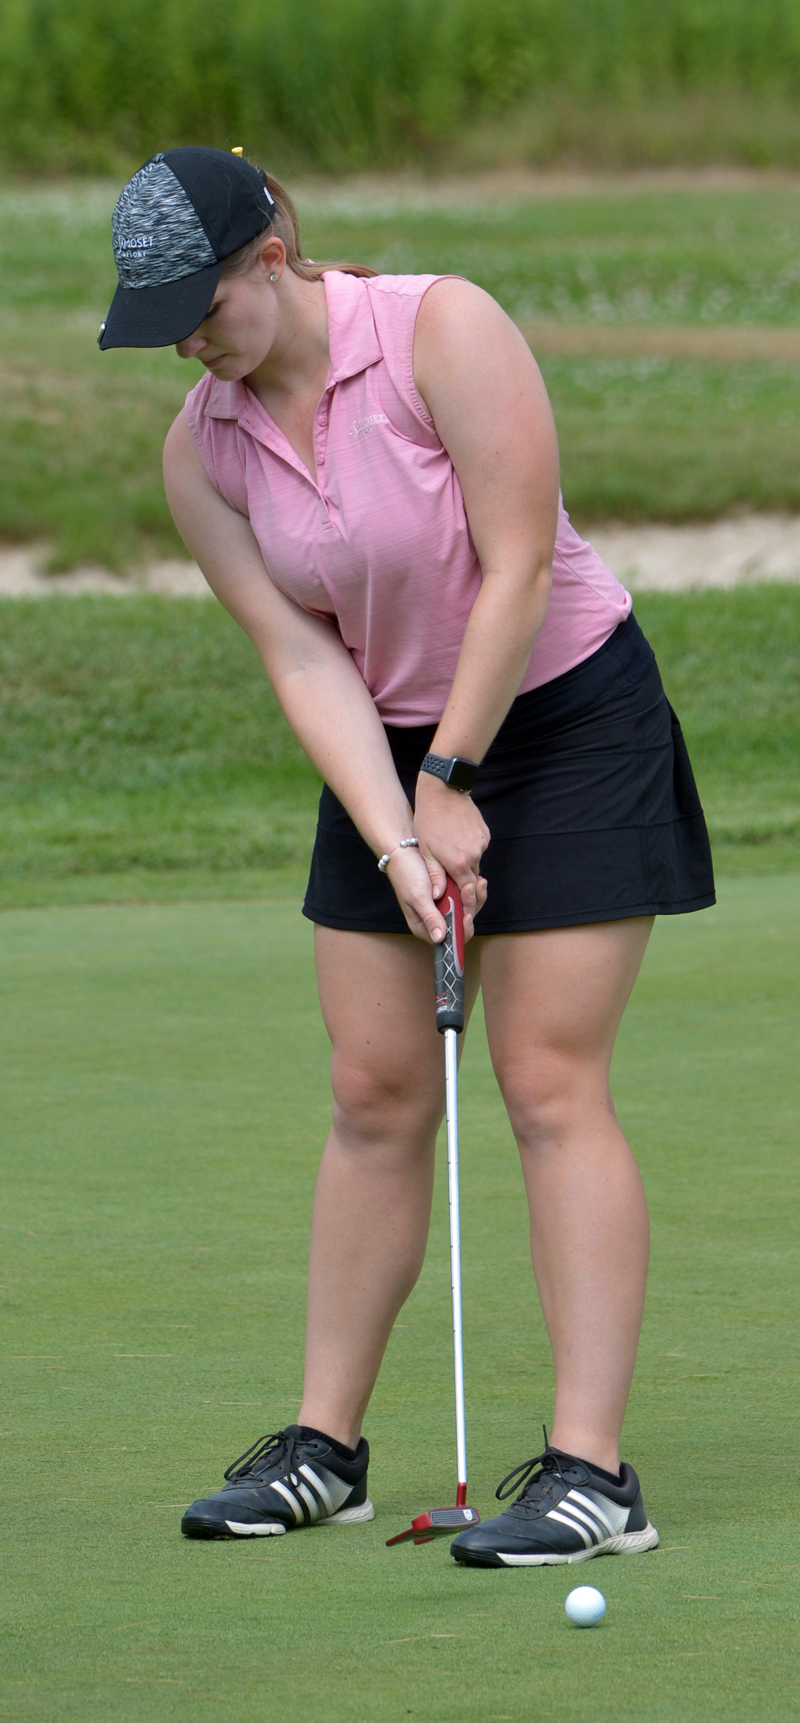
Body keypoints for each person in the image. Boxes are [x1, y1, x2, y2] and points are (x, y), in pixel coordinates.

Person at [99, 146, 714, 1567]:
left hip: (563, 714)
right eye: (162, 320)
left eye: (203, 303)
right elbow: (299, 656)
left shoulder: (443, 327)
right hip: (384, 741)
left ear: (273, 254)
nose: (191, 341)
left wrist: (453, 779)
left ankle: (590, 1474)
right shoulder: (204, 448)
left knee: (546, 1080)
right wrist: (395, 830)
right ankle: (325, 1448)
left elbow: (514, 562)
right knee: (373, 1085)